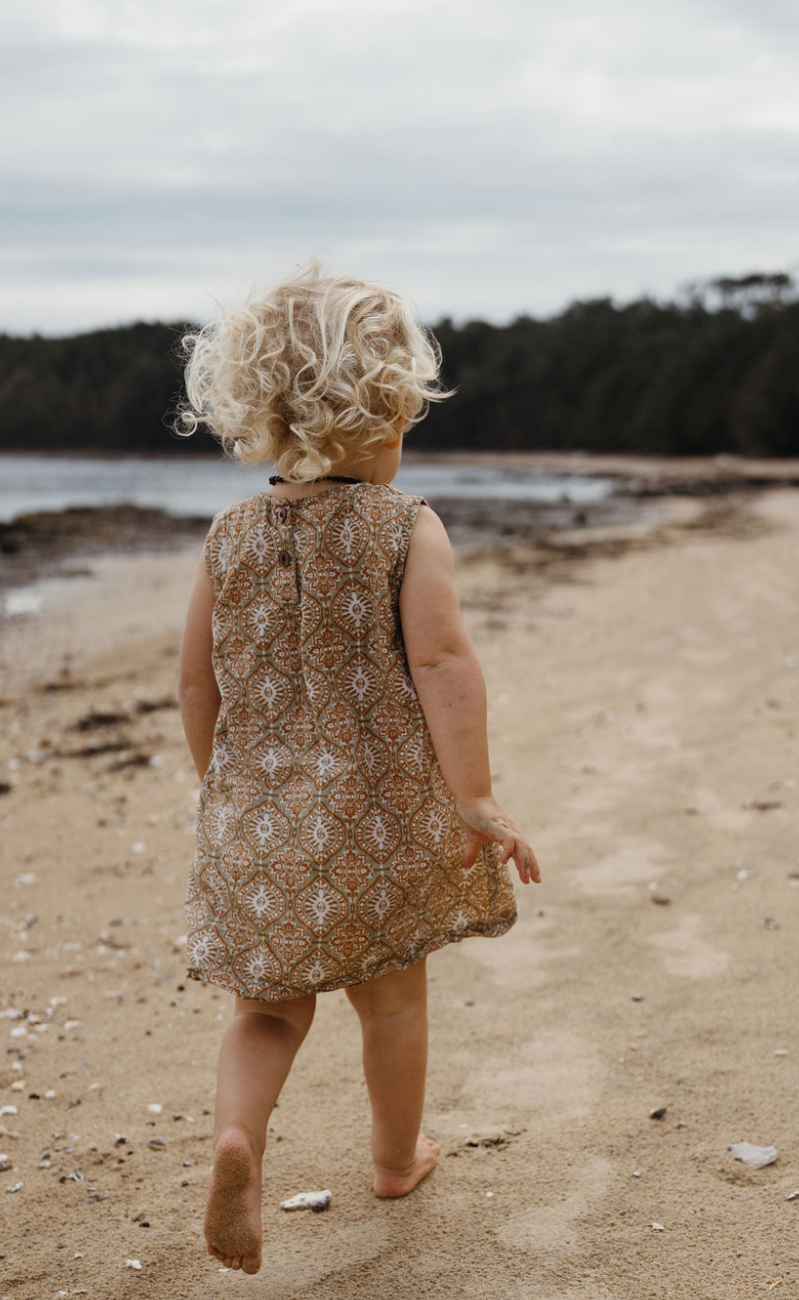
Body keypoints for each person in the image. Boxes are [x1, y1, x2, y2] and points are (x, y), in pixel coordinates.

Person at [176, 264, 540, 1274]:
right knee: (391, 997)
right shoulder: (403, 526)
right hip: (375, 825)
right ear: (385, 414)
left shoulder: (229, 534)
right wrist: (475, 795)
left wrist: (224, 788)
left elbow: (196, 683)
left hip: (256, 819)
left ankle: (236, 1137)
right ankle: (393, 1157)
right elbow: (441, 662)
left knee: (265, 1005)